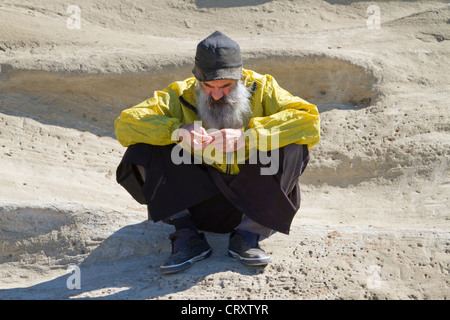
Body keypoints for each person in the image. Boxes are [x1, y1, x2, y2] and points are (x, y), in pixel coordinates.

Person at [114, 31, 320, 274]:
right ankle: (187, 236)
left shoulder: (264, 88)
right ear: (197, 79)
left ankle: (249, 235)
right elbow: (125, 124)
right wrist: (177, 130)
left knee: (293, 143)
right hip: (199, 205)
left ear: (240, 76)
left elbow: (309, 121)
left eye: (226, 86)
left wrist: (249, 137)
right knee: (144, 143)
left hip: (254, 204)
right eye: (208, 85)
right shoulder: (179, 94)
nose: (216, 94)